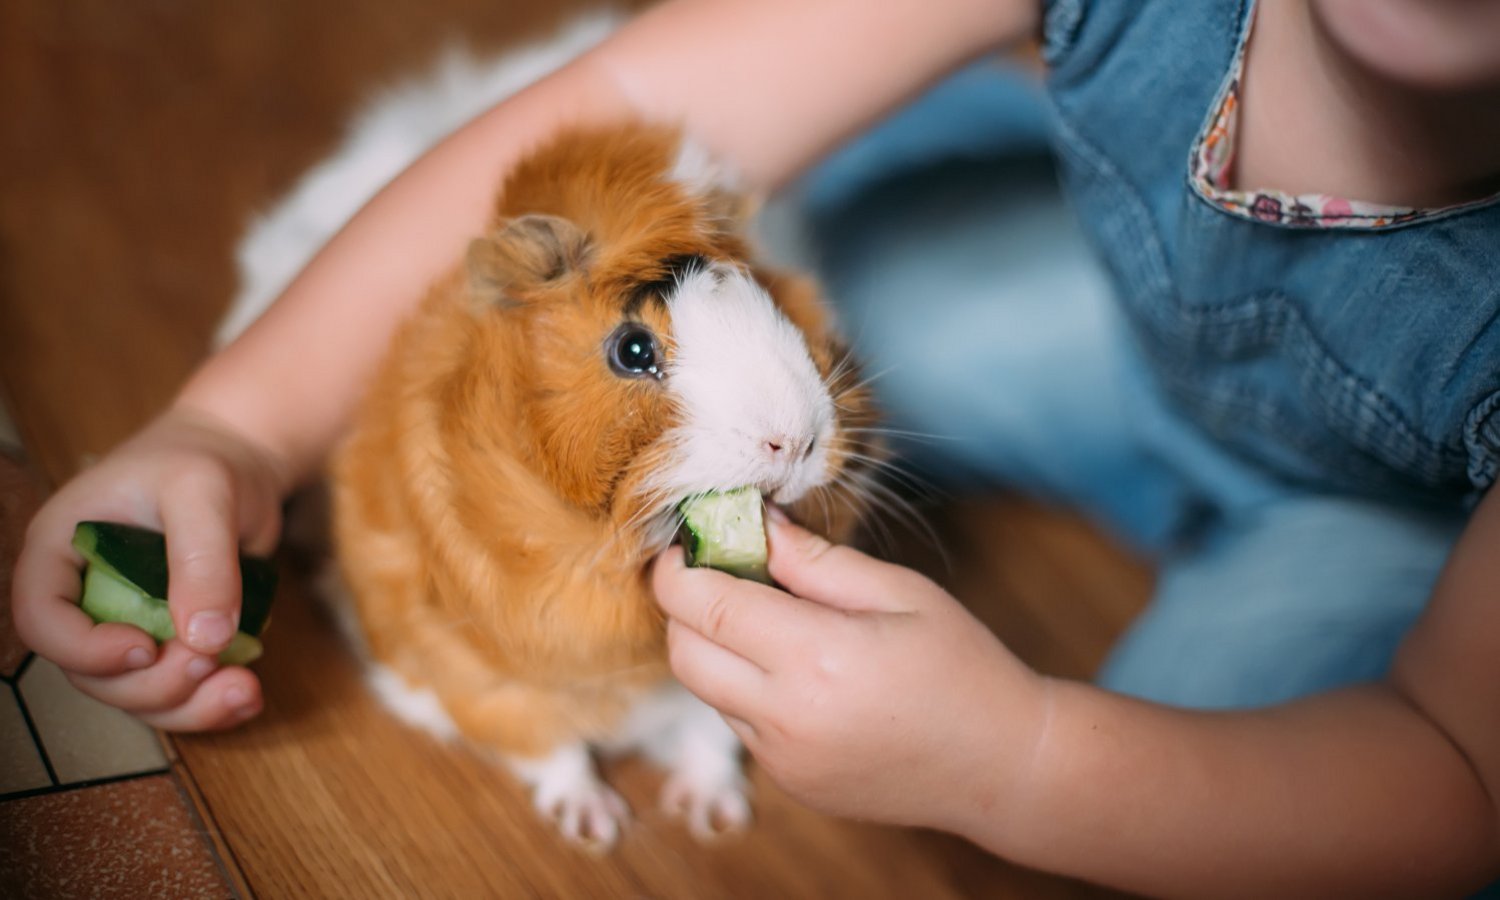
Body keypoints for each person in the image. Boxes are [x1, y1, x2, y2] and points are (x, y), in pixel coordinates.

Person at [13, 0, 1500, 894]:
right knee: (868, 276)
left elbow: (1457, 775)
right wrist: (235, 423)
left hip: (1420, 563)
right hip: (1135, 334)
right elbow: (620, 112)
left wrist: (1019, 760)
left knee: (1187, 832)